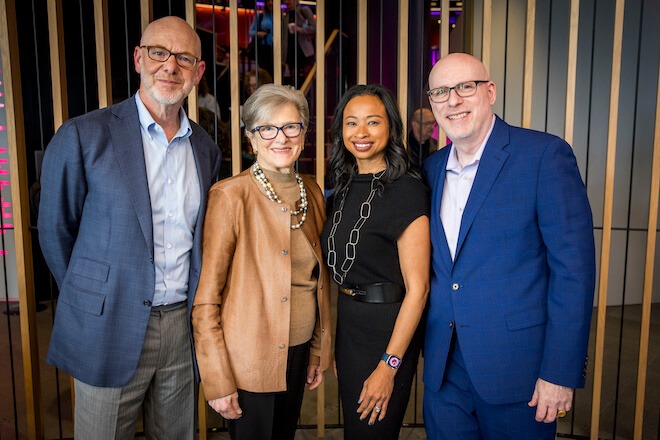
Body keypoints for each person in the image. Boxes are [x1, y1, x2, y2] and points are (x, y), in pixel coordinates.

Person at [38, 16, 221, 439]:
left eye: (184, 58)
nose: (170, 67)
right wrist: (94, 298)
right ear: (139, 58)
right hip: (108, 323)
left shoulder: (206, 149)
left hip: (180, 327)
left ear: (198, 72)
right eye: (159, 53)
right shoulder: (84, 135)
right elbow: (54, 230)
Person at [422, 53, 595, 439]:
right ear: (432, 102)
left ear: (490, 91)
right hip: (443, 370)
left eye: (465, 87)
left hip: (520, 373)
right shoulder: (430, 171)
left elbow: (574, 274)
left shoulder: (544, 157)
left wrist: (559, 372)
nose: (453, 100)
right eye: (440, 92)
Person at [192, 84, 332, 440]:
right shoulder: (230, 196)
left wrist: (317, 349)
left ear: (303, 132)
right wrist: (217, 377)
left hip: (299, 351)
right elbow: (207, 298)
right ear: (251, 138)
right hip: (249, 359)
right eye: (266, 129)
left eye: (291, 126)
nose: (280, 138)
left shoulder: (312, 190)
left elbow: (317, 282)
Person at [321, 84, 430, 439]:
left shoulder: (407, 189)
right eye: (351, 123)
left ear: (392, 128)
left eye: (373, 122)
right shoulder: (344, 185)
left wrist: (389, 364)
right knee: (358, 431)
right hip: (351, 324)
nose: (361, 133)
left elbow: (419, 289)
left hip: (388, 329)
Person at [282, 0, 316, 87]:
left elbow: (314, 27)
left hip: (304, 51)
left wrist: (300, 29)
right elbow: (284, 37)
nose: (287, 1)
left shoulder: (303, 11)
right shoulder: (286, 16)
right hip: (291, 52)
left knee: (308, 78)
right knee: (294, 80)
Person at [248, 0, 275, 76]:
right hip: (264, 49)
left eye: (272, 1)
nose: (270, 3)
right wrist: (258, 33)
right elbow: (250, 31)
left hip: (277, 49)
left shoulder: (280, 16)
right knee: (264, 73)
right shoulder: (260, 16)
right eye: (268, 1)